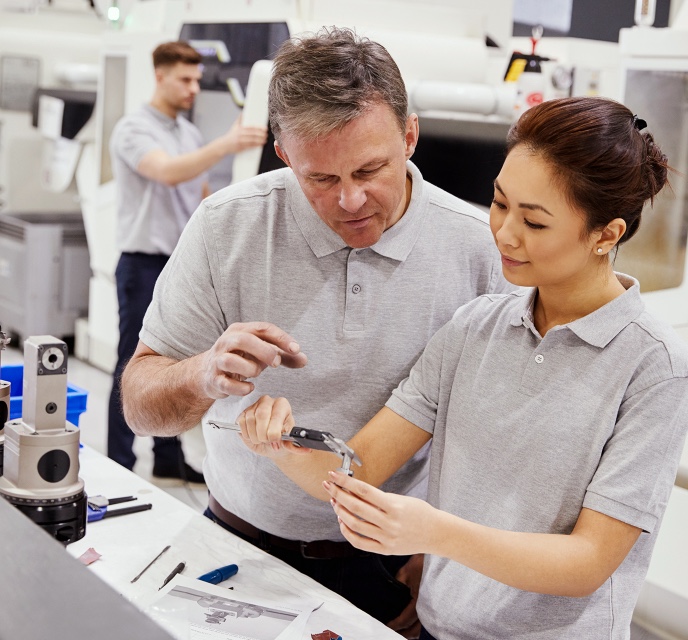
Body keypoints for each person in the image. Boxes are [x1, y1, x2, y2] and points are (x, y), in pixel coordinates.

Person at [236, 96, 688, 640]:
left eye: (535, 222)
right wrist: (279, 444)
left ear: (606, 234)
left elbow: (589, 562)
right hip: (436, 628)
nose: (504, 233)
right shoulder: (475, 327)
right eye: (500, 204)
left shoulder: (653, 365)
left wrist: (434, 533)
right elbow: (359, 465)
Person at [121, 28, 511, 633]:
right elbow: (142, 409)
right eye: (321, 179)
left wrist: (445, 556)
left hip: (394, 568)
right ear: (282, 152)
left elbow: (497, 438)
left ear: (410, 135)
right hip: (235, 547)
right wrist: (202, 375)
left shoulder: (481, 250)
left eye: (371, 169)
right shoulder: (228, 226)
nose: (351, 200)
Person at [108, 41, 268, 480]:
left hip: (179, 265)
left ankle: (167, 460)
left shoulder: (188, 133)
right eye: (185, 79)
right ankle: (119, 463)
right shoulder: (133, 129)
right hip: (142, 263)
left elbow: (201, 198)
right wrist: (228, 144)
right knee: (136, 364)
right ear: (159, 75)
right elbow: (167, 171)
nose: (193, 88)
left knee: (176, 364)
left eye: (198, 80)